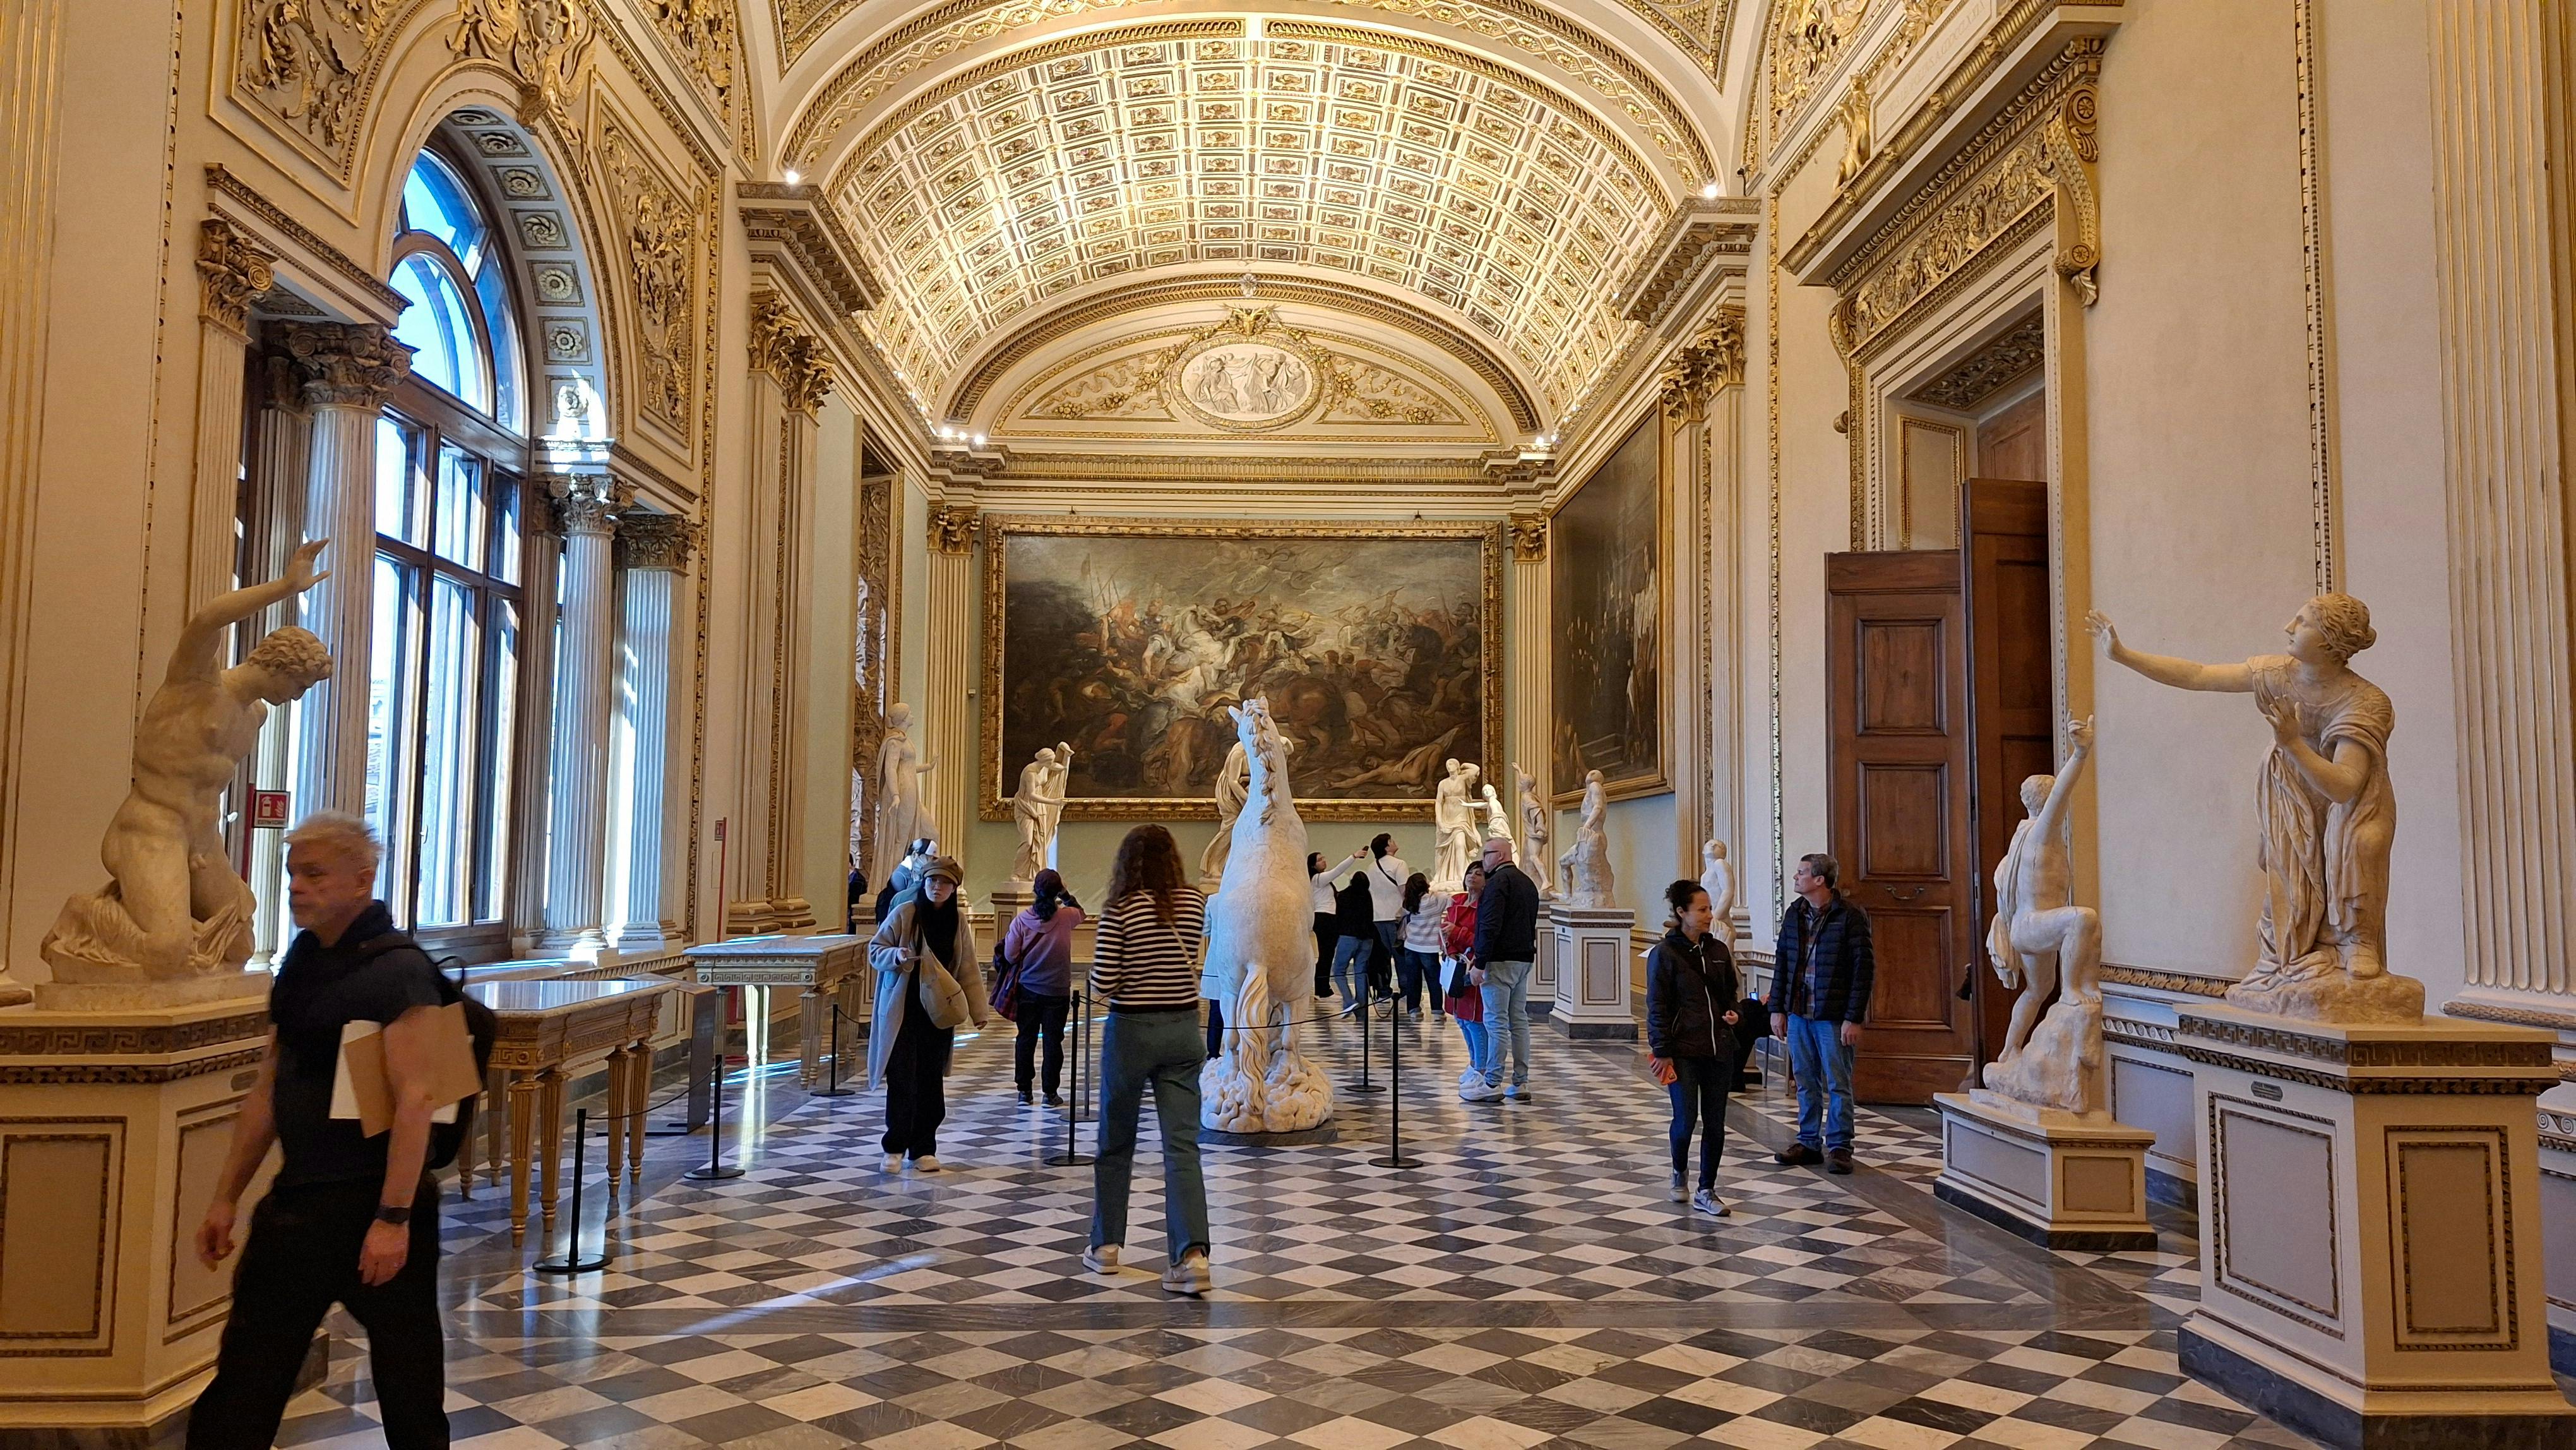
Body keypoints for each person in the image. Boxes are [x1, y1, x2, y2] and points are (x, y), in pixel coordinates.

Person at [188, 813, 450, 1450]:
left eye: (314, 874)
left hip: (376, 1205)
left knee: (409, 1387)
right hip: (300, 1203)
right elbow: (269, 1089)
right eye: (292, 875)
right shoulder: (301, 962)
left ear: (362, 880)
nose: (296, 888)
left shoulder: (403, 971)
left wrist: (393, 1219)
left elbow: (421, 1099)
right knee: (246, 1377)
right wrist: (226, 1197)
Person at [1083, 825, 1214, 1296]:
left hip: (1132, 1032)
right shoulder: (1194, 903)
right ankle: (1191, 1257)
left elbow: (1104, 981)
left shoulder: (1120, 909)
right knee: (1182, 1147)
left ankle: (1106, 1246)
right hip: (1182, 1029)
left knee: (1115, 1143)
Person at [868, 856, 991, 1173]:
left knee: (930, 1080)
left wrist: (978, 1011)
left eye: (945, 883)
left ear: (954, 888)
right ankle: (894, 1147)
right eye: (933, 881)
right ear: (924, 882)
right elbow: (875, 950)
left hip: (938, 1013)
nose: (938, 887)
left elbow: (967, 967)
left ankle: (924, 1149)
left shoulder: (957, 921)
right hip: (902, 1010)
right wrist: (896, 955)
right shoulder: (906, 913)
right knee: (902, 1079)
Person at [1766, 853, 1874, 1175]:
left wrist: (1854, 1017)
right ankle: (1809, 1142)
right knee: (1804, 1080)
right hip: (1799, 1013)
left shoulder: (1850, 916)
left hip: (1833, 1016)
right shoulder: (1794, 913)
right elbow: (1783, 962)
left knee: (1838, 1083)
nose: (1795, 877)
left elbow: (1863, 970)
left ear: (1819, 880)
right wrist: (1777, 1009)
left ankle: (1840, 1146)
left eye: (1801, 873)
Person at [1647, 879, 1741, 1216]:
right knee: (1686, 1120)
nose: (1709, 915)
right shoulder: (1664, 954)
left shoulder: (1719, 951)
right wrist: (1662, 1051)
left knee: (1715, 1123)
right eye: (1701, 909)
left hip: (1719, 1049)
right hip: (1683, 1050)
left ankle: (1707, 1189)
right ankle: (1679, 1170)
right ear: (1681, 912)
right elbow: (1657, 1007)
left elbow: (1731, 994)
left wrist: (1735, 1013)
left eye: (1709, 908)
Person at [1462, 836, 1539, 1103]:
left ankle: (1492, 1082)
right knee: (1519, 1022)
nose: (1483, 860)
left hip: (1499, 961)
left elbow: (1490, 925)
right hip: (1523, 959)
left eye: (1487, 854)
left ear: (1501, 855)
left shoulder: (1497, 883)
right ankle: (1520, 1081)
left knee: (1495, 1023)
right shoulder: (1527, 882)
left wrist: (1480, 963)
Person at [1001, 868, 1082, 1107]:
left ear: (1035, 891)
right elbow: (1082, 912)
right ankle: (1050, 1093)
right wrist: (1065, 894)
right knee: (1053, 1042)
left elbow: (1010, 955)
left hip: (1028, 989)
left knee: (1025, 1039)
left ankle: (1024, 1091)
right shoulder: (1067, 917)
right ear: (1058, 891)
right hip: (1057, 991)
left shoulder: (1021, 921)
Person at [1328, 833, 1410, 1011]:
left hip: (1377, 919)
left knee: (1381, 958)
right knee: (1400, 957)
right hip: (1395, 917)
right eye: (1392, 840)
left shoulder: (1372, 867)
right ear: (1387, 846)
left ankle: (1383, 991)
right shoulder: (1400, 864)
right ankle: (1405, 991)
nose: (1395, 842)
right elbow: (1404, 891)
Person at [1441, 859, 1488, 1087]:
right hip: (1455, 965)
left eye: (1479, 874)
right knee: (1460, 1018)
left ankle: (1481, 1068)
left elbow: (1483, 940)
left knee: (1474, 1020)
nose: (1473, 876)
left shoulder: (1486, 907)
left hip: (1473, 966)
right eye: (1471, 872)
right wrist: (1449, 951)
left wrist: (1457, 932)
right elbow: (1444, 933)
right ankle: (1472, 1063)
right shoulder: (1457, 901)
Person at [1395, 872, 1445, 1023]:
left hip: (1411, 945)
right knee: (1434, 980)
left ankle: (1414, 1010)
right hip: (1429, 947)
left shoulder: (1409, 903)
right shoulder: (1436, 900)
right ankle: (1437, 1011)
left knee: (1413, 980)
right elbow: (1451, 900)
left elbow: (1399, 915)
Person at [1329, 868, 1374, 1016]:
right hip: (1367, 938)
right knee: (1361, 972)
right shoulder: (1367, 895)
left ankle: (1349, 1001)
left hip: (1348, 937)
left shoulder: (1343, 895)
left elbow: (1339, 918)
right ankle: (1361, 1010)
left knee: (1339, 971)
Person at [1309, 851, 1337, 1000]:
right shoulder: (1318, 879)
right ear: (1313, 865)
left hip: (1327, 918)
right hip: (1323, 918)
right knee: (1326, 955)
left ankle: (1322, 988)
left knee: (1327, 954)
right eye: (1320, 860)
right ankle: (1323, 990)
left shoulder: (1321, 880)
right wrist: (1353, 857)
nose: (1323, 861)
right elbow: (1338, 870)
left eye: (1323, 858)